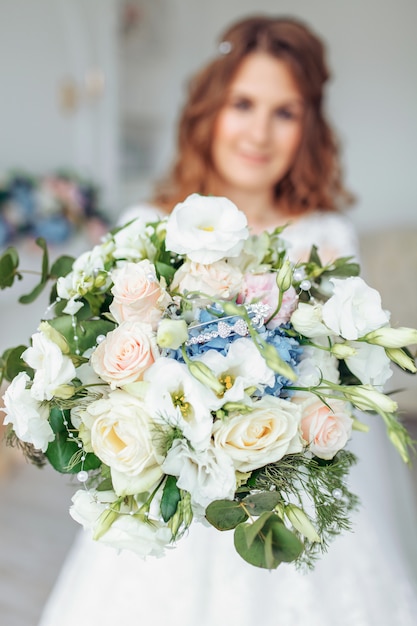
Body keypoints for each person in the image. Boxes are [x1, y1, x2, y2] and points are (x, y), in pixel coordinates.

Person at [39, 15, 417, 626]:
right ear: (209, 109)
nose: (259, 133)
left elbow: (343, 402)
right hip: (172, 498)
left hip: (289, 503)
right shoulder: (147, 226)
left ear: (309, 126)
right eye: (244, 103)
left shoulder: (324, 237)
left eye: (285, 112)